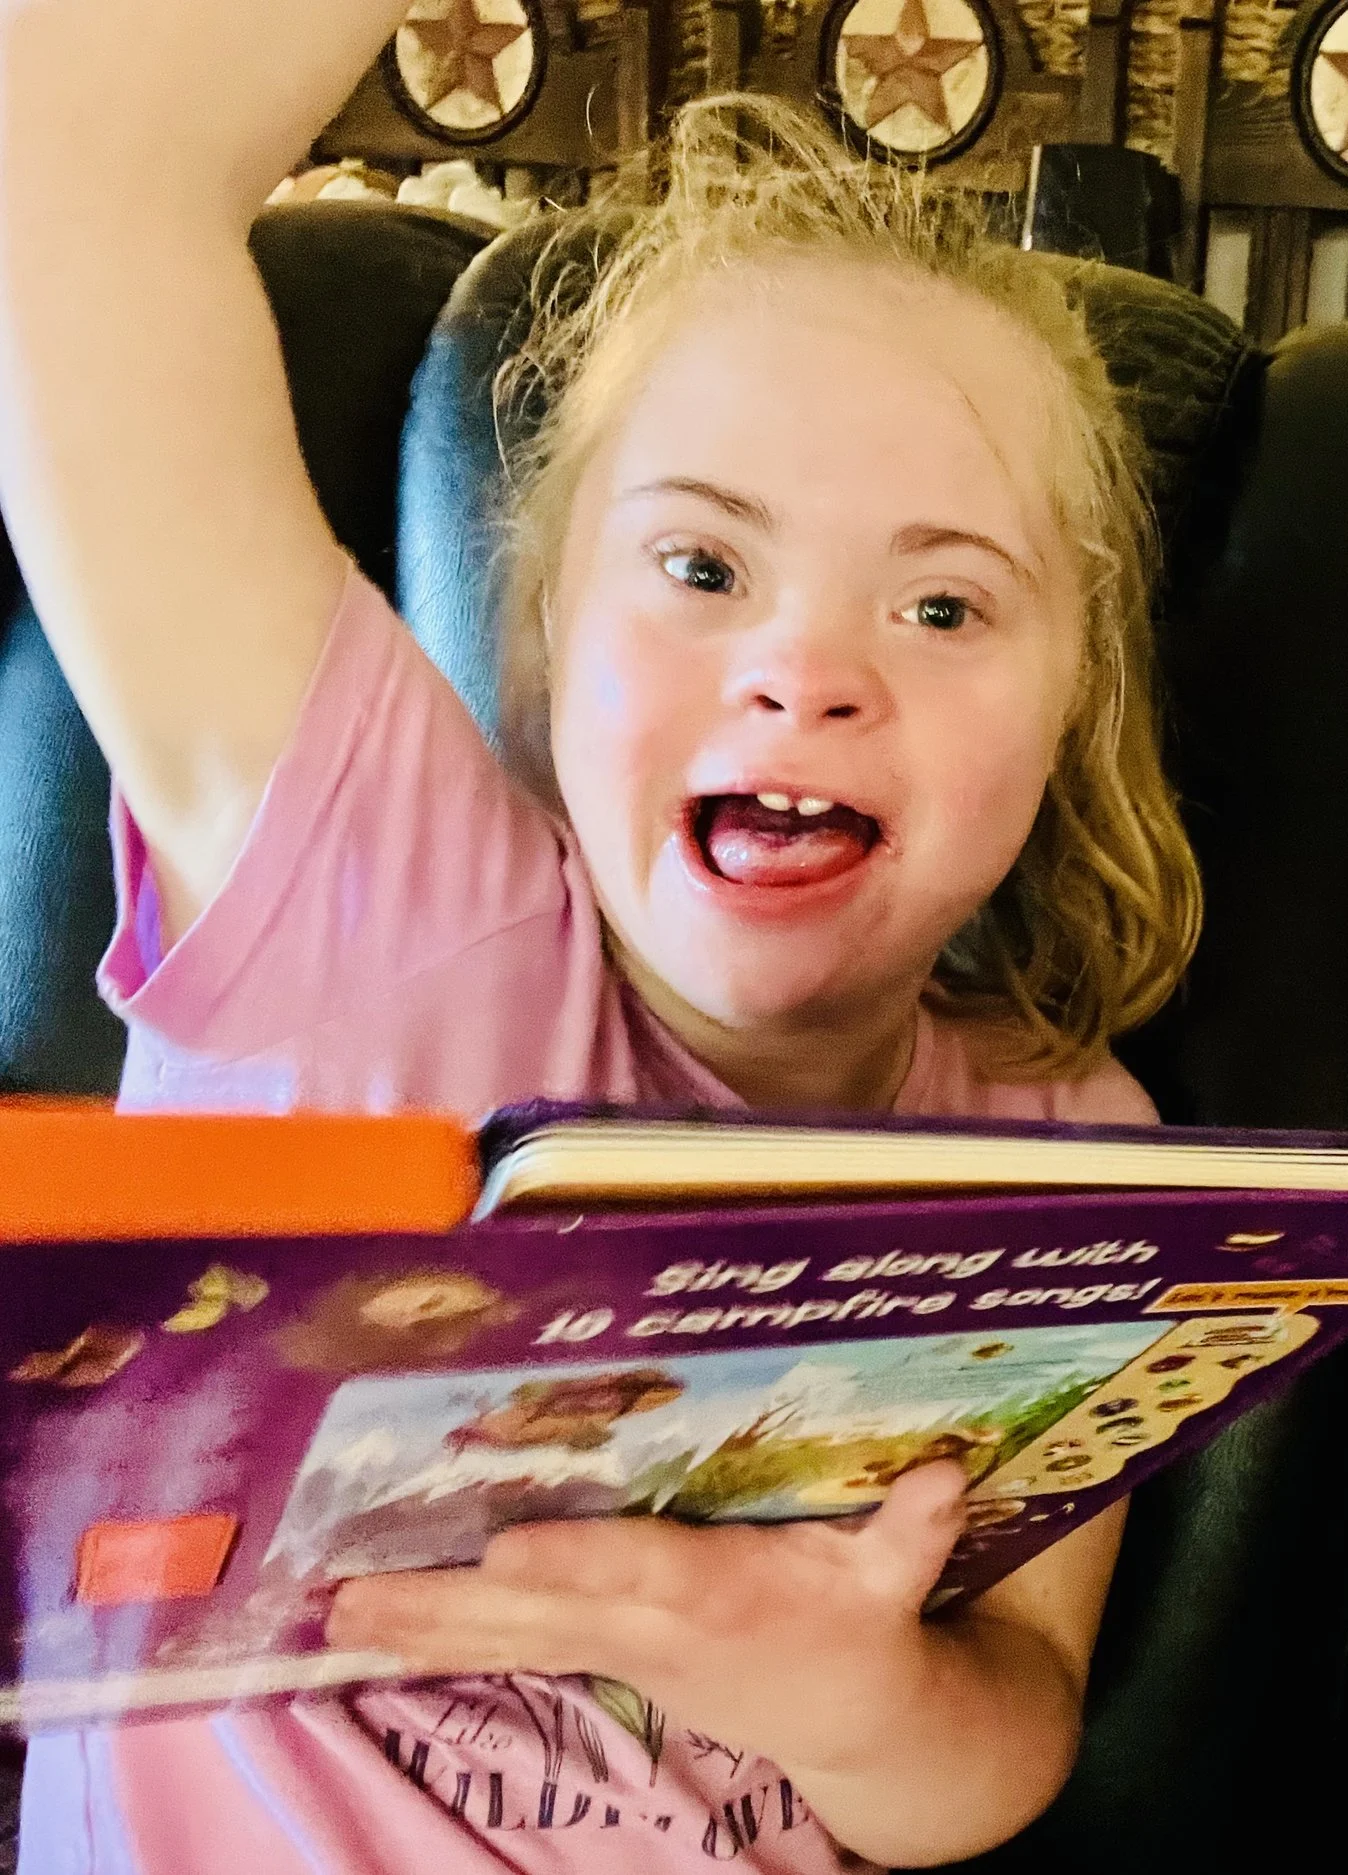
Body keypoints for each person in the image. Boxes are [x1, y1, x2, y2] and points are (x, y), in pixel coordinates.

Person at [0, 0, 1200, 1867]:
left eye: (948, 605)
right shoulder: (374, 889)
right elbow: (50, 175)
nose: (805, 672)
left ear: (1072, 712)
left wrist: (855, 1696)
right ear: (550, 637)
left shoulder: (1076, 1146)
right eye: (703, 567)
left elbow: (1015, 1717)